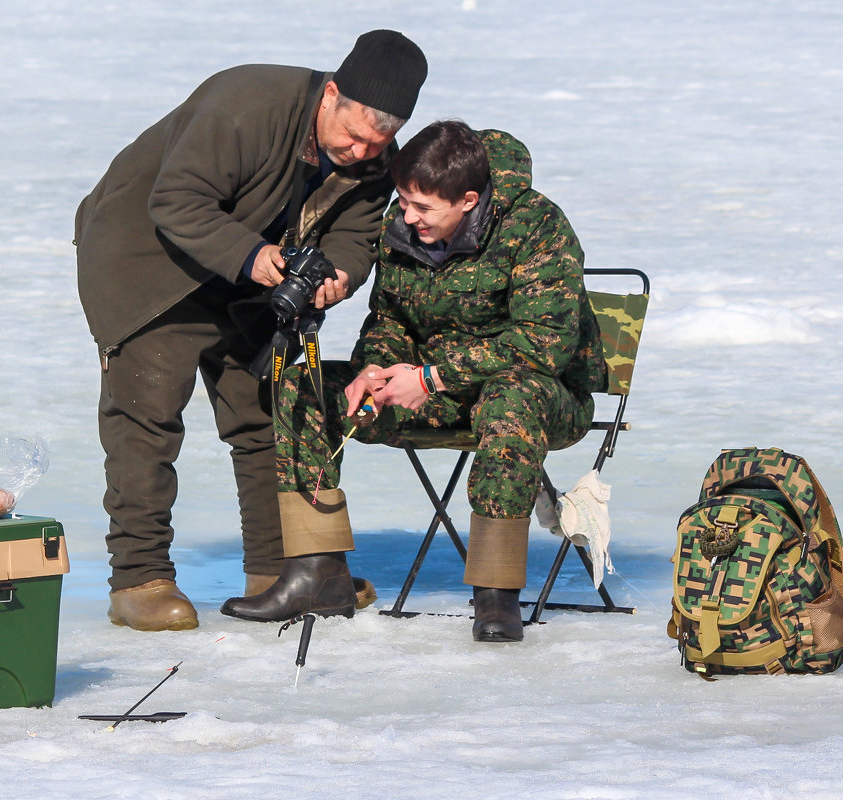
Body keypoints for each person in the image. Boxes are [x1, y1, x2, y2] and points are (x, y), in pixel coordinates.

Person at [74, 31, 428, 631]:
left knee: (264, 417)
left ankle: (275, 569)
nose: (362, 151)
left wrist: (340, 272)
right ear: (331, 93)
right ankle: (139, 579)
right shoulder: (246, 103)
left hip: (251, 278)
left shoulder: (370, 153)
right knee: (147, 422)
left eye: (379, 142)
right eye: (353, 134)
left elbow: (359, 227)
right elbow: (178, 200)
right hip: (153, 268)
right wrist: (255, 256)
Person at [220, 120, 607, 642]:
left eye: (422, 208)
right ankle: (318, 573)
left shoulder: (537, 226)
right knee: (301, 389)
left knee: (511, 397)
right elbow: (391, 319)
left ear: (468, 200)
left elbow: (546, 345)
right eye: (403, 201)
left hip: (543, 398)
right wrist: (375, 370)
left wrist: (433, 376)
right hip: (427, 390)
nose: (407, 216)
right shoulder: (402, 227)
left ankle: (496, 595)